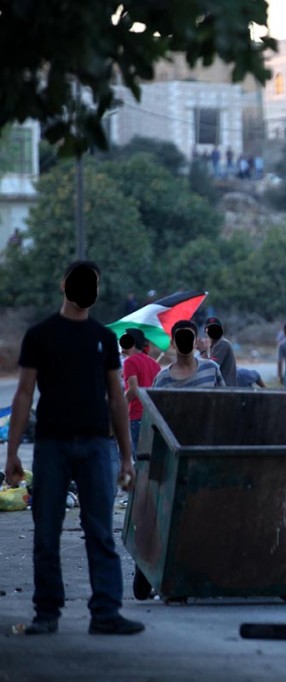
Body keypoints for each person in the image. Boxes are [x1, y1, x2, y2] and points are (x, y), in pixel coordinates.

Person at [3, 261, 144, 635]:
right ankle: (46, 614)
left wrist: (126, 458)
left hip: (97, 446)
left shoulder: (102, 338)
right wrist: (12, 452)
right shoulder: (41, 335)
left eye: (94, 283)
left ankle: (106, 613)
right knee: (46, 532)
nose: (89, 289)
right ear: (65, 285)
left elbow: (116, 398)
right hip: (52, 446)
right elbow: (22, 395)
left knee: (100, 531)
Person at [120, 328, 160, 460]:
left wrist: (120, 406)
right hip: (153, 417)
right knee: (150, 459)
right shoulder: (154, 364)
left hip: (137, 416)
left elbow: (133, 389)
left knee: (138, 459)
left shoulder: (129, 362)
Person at [153, 320, 225, 388]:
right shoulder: (162, 378)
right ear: (172, 344)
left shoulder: (211, 368)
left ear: (196, 342)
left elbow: (224, 399)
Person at [202, 316, 237, 387]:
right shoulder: (215, 345)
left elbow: (210, 368)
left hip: (225, 389)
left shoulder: (222, 344)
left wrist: (203, 350)